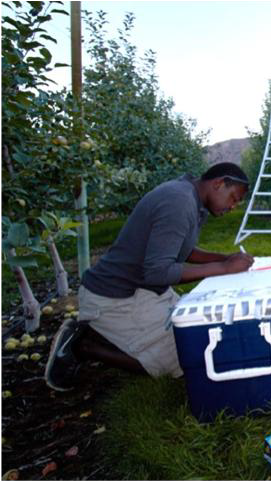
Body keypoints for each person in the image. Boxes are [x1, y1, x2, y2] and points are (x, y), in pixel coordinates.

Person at [44, 162, 255, 392]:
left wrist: (224, 259)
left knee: (196, 334)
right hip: (115, 297)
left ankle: (108, 333)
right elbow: (158, 273)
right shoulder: (179, 202)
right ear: (219, 184)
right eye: (233, 198)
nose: (233, 206)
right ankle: (82, 345)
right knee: (182, 361)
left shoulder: (192, 199)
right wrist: (223, 269)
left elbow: (184, 250)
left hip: (144, 289)